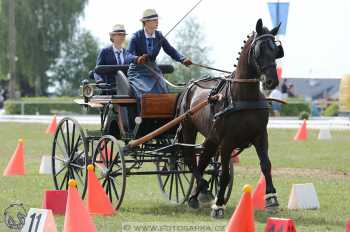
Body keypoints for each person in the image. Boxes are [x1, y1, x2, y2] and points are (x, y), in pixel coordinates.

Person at [126, 9, 192, 112]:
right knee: (147, 93)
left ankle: (163, 118)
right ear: (146, 22)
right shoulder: (136, 37)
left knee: (164, 90)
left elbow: (171, 51)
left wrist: (183, 59)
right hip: (137, 71)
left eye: (157, 20)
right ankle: (142, 117)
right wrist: (137, 58)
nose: (157, 22)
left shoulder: (159, 36)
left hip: (153, 70)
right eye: (154, 20)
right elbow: (127, 56)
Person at [94, 24, 132, 92]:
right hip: (109, 90)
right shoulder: (105, 52)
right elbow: (97, 71)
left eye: (123, 35)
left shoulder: (128, 53)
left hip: (127, 90)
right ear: (113, 36)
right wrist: (100, 82)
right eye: (119, 34)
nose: (122, 37)